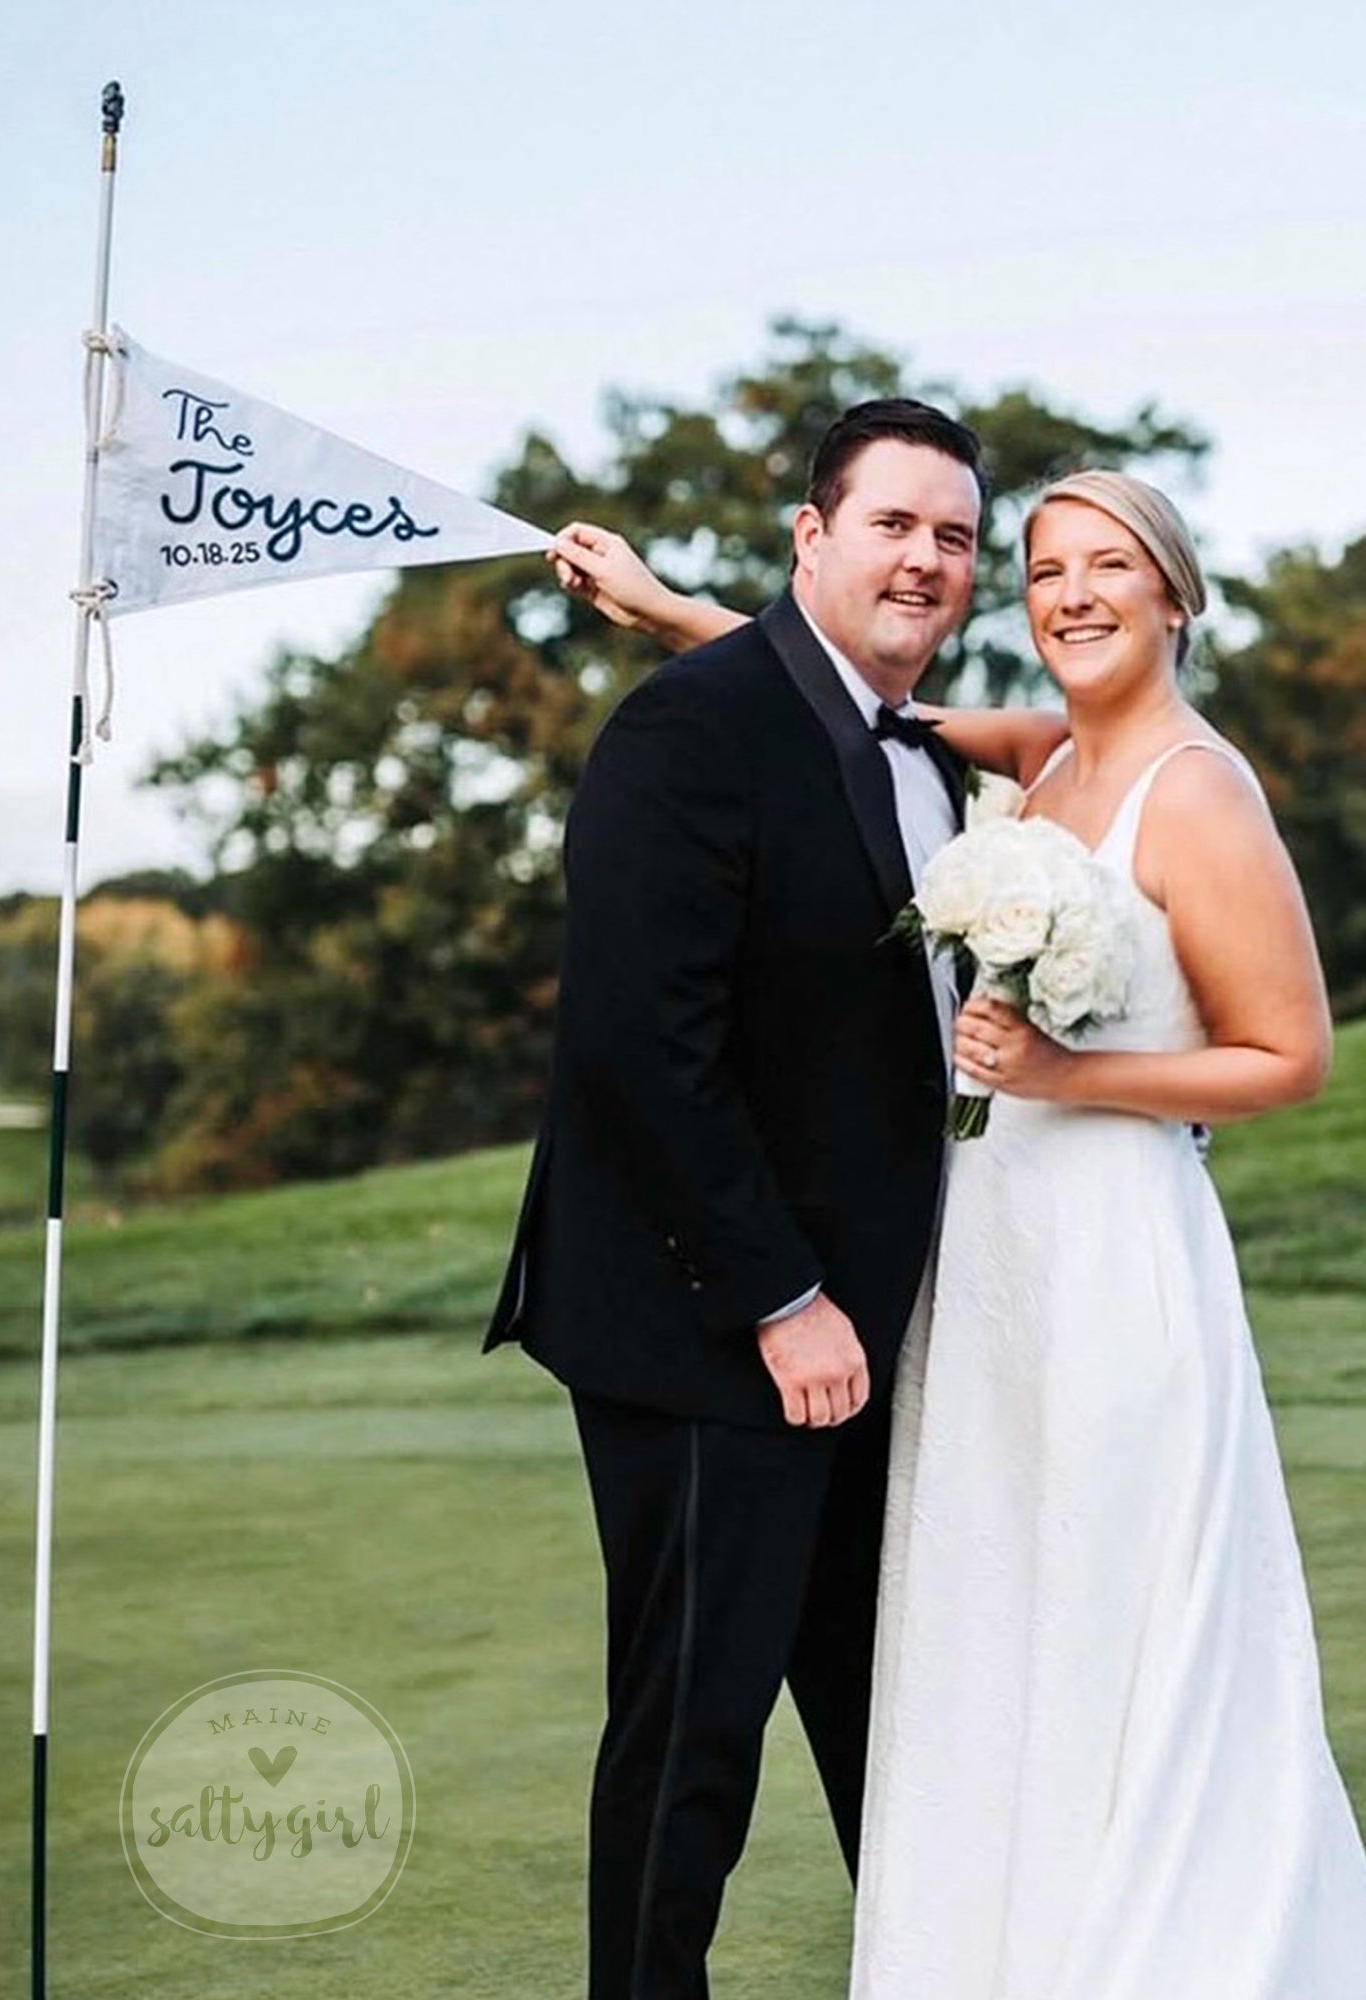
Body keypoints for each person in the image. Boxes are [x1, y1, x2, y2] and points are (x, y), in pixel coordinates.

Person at [552, 467, 1366, 1997]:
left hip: (1113, 1260)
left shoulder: (1199, 788)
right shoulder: (1052, 755)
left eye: (1108, 567)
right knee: (997, 1628)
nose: (1070, 594)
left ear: (1175, 594)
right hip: (986, 1269)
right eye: (1042, 568)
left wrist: (1071, 1075)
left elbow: (1289, 1054)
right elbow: (842, 706)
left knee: (1110, 1624)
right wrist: (672, 610)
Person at [485, 398, 985, 2000]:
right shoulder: (689, 728)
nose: (926, 558)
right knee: (697, 1729)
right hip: (713, 1332)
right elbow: (640, 1047)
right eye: (895, 523)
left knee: (881, 1712)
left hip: (880, 1334)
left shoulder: (917, 757)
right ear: (812, 537)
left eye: (956, 536)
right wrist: (780, 1299)